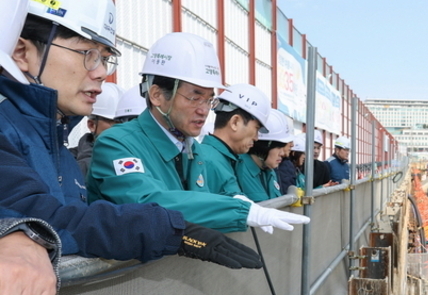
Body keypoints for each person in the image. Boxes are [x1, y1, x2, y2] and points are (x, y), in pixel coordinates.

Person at [0, 0, 261, 269]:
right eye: (88, 54)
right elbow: (53, 219)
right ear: (21, 52)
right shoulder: (12, 135)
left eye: (106, 58)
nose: (101, 72)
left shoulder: (58, 146)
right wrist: (176, 230)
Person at [86, 32, 308, 234]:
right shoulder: (116, 144)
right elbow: (147, 201)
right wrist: (242, 211)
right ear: (156, 95)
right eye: (194, 96)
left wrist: (237, 200)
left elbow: (225, 191)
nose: (203, 110)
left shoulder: (195, 150)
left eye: (208, 99)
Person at [201, 83, 270, 196]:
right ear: (235, 122)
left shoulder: (224, 161)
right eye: (256, 128)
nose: (256, 138)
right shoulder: (209, 162)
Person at [238, 109, 293, 201]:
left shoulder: (270, 172)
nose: (283, 153)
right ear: (265, 145)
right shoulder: (239, 170)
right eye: (279, 147)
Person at [70, 81, 121, 175]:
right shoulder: (67, 162)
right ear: (92, 125)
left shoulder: (144, 155)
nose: (122, 129)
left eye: (128, 121)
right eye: (115, 123)